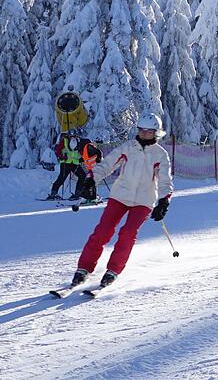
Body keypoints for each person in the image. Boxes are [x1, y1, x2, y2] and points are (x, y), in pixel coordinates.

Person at [68, 113, 173, 289]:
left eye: (149, 131)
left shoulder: (160, 155)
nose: (144, 134)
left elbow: (164, 180)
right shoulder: (127, 148)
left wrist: (164, 201)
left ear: (156, 132)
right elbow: (107, 164)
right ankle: (84, 269)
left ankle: (113, 270)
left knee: (127, 233)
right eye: (142, 130)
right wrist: (91, 179)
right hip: (120, 196)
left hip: (143, 201)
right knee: (102, 231)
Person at [46, 128, 86, 200]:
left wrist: (82, 158)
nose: (72, 137)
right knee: (61, 179)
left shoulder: (78, 142)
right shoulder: (64, 141)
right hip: (65, 163)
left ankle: (77, 193)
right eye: (71, 136)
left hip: (75, 163)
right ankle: (53, 194)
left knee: (82, 176)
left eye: (74, 136)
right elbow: (58, 150)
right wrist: (61, 156)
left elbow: (80, 152)